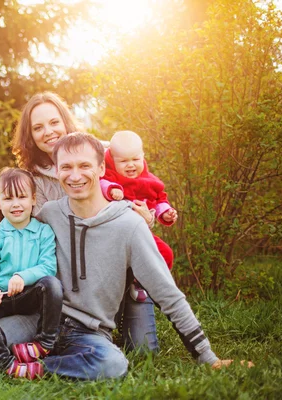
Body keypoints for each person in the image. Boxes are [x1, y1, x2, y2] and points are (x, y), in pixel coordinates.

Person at [0, 93, 157, 371]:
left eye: (54, 122)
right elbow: (14, 230)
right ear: (29, 135)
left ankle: (99, 330)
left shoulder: (100, 154)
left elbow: (142, 187)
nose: (48, 132)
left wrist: (146, 216)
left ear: (66, 123)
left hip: (104, 291)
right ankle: (32, 356)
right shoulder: (30, 180)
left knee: (143, 353)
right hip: (48, 301)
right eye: (38, 127)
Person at [29, 132, 230, 379]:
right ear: (57, 171)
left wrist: (207, 357)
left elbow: (168, 294)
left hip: (88, 333)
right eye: (66, 167)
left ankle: (29, 367)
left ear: (102, 168)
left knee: (112, 366)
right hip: (40, 322)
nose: (75, 175)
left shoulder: (129, 224)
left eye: (84, 166)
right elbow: (14, 245)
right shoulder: (49, 213)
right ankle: (18, 352)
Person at [0, 167, 63, 379]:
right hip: (1, 299)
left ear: (33, 200)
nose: (16, 204)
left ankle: (45, 343)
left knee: (52, 284)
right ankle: (5, 362)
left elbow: (48, 267)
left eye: (22, 197)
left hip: (31, 298)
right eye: (8, 198)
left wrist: (23, 277)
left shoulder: (43, 232)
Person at [103, 130, 177, 303]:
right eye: (123, 161)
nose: (130, 165)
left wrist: (165, 213)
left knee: (165, 254)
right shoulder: (110, 176)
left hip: (142, 234)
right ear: (112, 160)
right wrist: (112, 189)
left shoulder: (150, 180)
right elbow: (102, 183)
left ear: (142, 156)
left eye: (135, 159)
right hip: (115, 236)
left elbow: (159, 199)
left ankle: (141, 282)